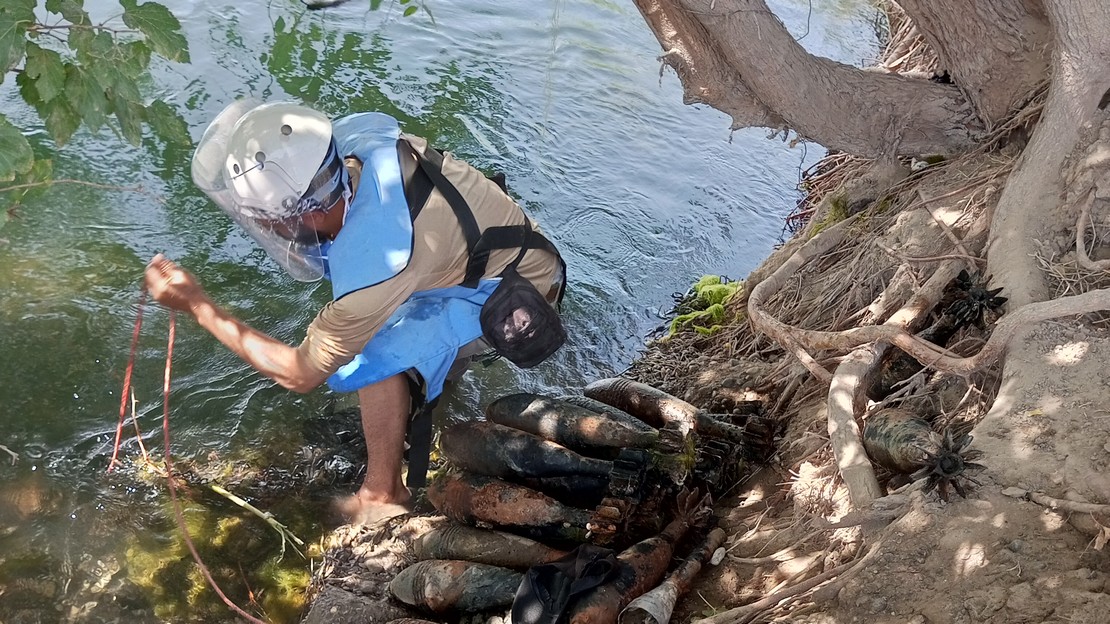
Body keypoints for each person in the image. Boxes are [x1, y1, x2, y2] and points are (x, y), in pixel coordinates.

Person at [144, 100, 566, 524]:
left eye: (271, 222)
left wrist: (198, 305)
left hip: (516, 293)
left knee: (368, 356)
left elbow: (299, 373)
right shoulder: (349, 151)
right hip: (498, 249)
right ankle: (430, 398)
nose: (270, 231)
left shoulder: (378, 262)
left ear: (311, 210)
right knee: (374, 331)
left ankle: (384, 492)